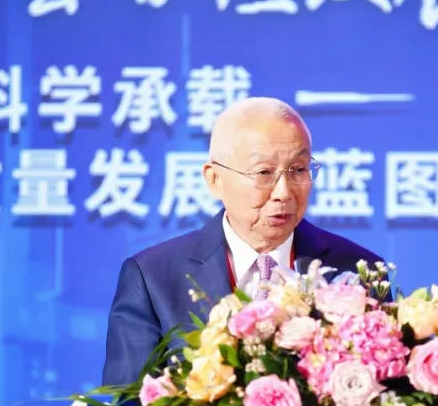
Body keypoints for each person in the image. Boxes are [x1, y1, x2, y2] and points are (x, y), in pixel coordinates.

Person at [100, 97, 383, 386]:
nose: (283, 192)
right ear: (214, 179)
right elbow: (125, 405)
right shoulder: (153, 279)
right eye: (263, 173)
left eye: (298, 169)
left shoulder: (360, 272)